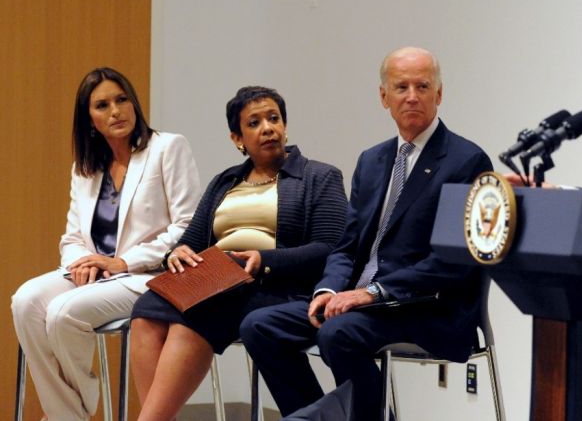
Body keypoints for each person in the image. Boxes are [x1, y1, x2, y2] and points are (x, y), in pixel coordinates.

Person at [240, 47, 493, 419]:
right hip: (361, 302)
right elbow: (346, 246)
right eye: (400, 86)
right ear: (383, 97)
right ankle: (319, 416)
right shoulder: (372, 160)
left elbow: (451, 263)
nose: (411, 96)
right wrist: (328, 291)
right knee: (259, 326)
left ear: (439, 95)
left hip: (427, 304)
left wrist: (369, 293)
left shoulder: (465, 161)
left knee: (337, 334)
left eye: (422, 86)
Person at [129, 86, 348, 421]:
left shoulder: (318, 176)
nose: (268, 128)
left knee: (193, 317)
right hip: (216, 279)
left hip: (275, 287)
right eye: (255, 122)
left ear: (285, 126)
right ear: (237, 139)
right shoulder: (225, 182)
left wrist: (265, 260)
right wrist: (177, 253)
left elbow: (330, 246)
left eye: (274, 119)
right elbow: (191, 239)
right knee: (146, 311)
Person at [10, 67, 200, 421]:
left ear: (134, 103)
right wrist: (84, 261)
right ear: (89, 119)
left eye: (122, 99)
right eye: (102, 105)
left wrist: (122, 262)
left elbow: (188, 227)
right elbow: (72, 237)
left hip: (149, 275)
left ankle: (66, 416)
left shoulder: (167, 147)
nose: (115, 111)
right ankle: (70, 415)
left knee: (63, 314)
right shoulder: (86, 167)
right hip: (98, 274)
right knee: (24, 302)